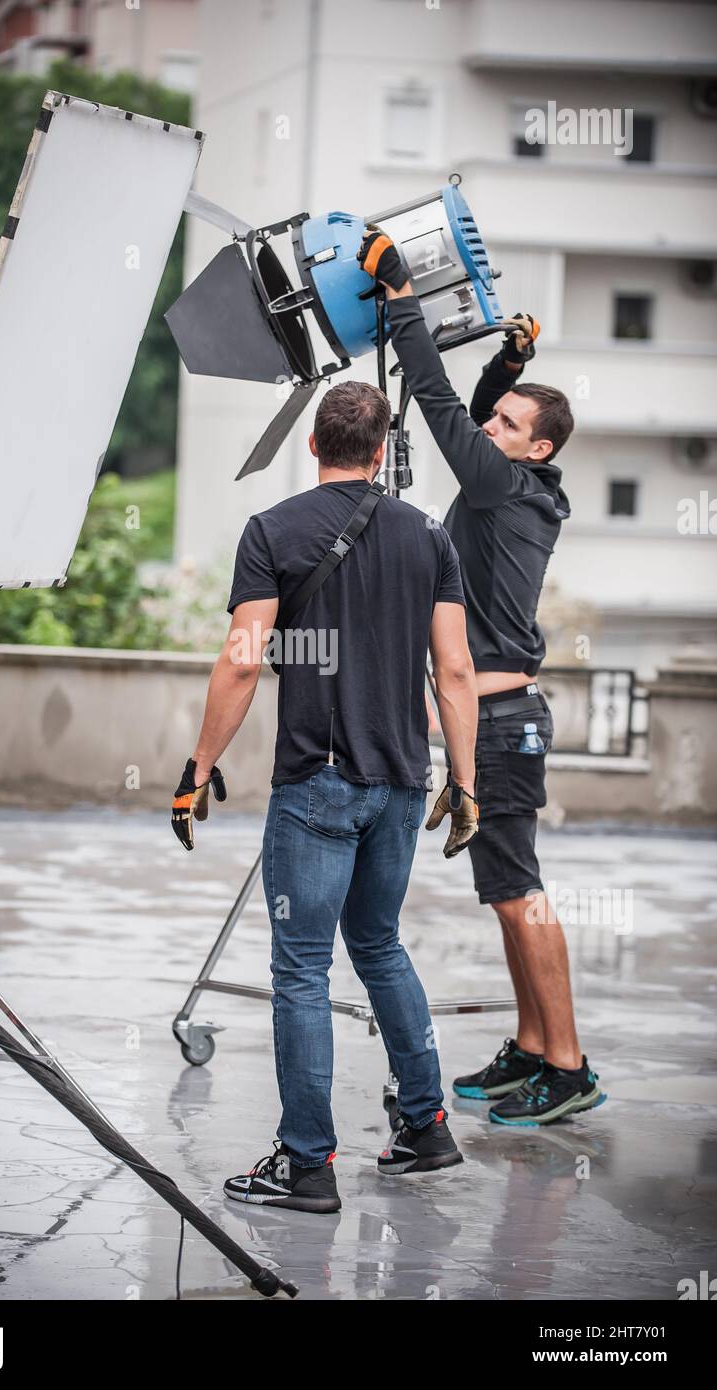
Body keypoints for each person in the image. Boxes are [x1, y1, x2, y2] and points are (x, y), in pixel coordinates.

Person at [170, 378, 479, 1212]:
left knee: (301, 969)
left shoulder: (273, 531)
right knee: (377, 945)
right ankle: (425, 1126)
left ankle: (306, 1167)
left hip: (319, 782)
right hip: (401, 783)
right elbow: (453, 670)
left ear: (314, 444)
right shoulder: (427, 536)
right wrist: (466, 782)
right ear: (380, 451)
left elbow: (242, 657)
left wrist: (199, 767)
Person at [359, 229, 604, 1127]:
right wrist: (507, 360)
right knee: (505, 896)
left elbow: (432, 397)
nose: (490, 424)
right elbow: (472, 403)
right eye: (496, 419)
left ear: (531, 450)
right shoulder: (520, 484)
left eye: (505, 424)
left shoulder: (500, 485)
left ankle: (566, 1066)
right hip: (500, 719)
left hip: (499, 721)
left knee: (518, 892)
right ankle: (533, 1048)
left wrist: (399, 299)